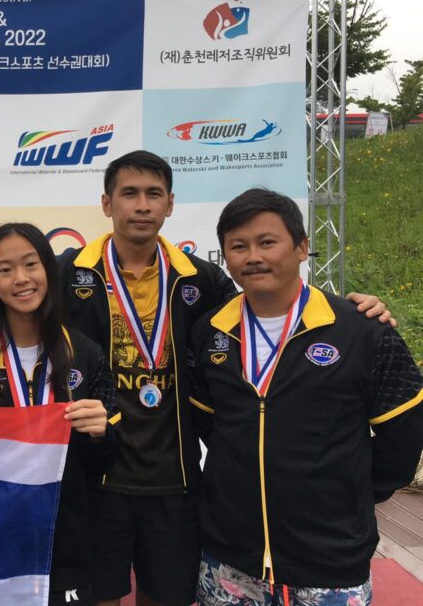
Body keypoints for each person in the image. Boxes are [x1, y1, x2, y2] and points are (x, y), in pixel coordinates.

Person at [56, 150, 392, 606]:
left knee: (167, 597)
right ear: (106, 203)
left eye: (154, 194)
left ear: (170, 204)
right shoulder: (67, 273)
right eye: (129, 193)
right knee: (98, 597)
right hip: (96, 476)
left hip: (175, 481)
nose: (142, 205)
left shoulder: (203, 279)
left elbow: (265, 308)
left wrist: (355, 310)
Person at [190, 188, 423, 606]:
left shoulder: (361, 330)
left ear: (301, 247)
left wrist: (351, 492)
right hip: (229, 558)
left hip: (330, 560)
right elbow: (209, 423)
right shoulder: (210, 332)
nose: (253, 256)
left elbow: (404, 434)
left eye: (267, 242)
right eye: (238, 246)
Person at [0, 222, 118, 606]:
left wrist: (102, 435)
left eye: (31, 264)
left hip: (65, 544)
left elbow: (104, 463)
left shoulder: (85, 354)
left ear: (48, 269)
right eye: (5, 269)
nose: (21, 278)